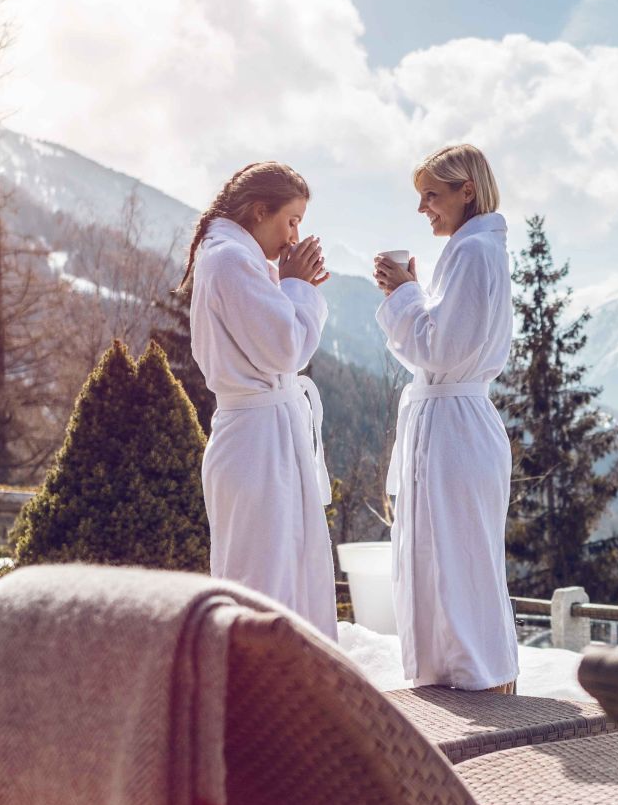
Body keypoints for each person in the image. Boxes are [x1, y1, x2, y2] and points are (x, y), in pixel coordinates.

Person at [373, 144, 519, 692]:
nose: (423, 209)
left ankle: (480, 685)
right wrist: (410, 293)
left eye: (432, 195)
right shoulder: (469, 251)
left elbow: (441, 350)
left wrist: (405, 294)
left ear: (468, 192)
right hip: (451, 421)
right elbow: (438, 347)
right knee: (447, 558)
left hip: (456, 429)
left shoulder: (474, 252)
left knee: (459, 562)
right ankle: (458, 679)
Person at [180, 161, 337, 638]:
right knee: (263, 578)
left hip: (265, 435)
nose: (294, 237)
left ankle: (291, 696)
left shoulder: (238, 259)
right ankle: (259, 699)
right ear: (258, 211)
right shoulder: (229, 260)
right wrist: (296, 286)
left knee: (284, 570)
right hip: (255, 443)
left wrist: (292, 286)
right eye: (291, 221)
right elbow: (285, 348)